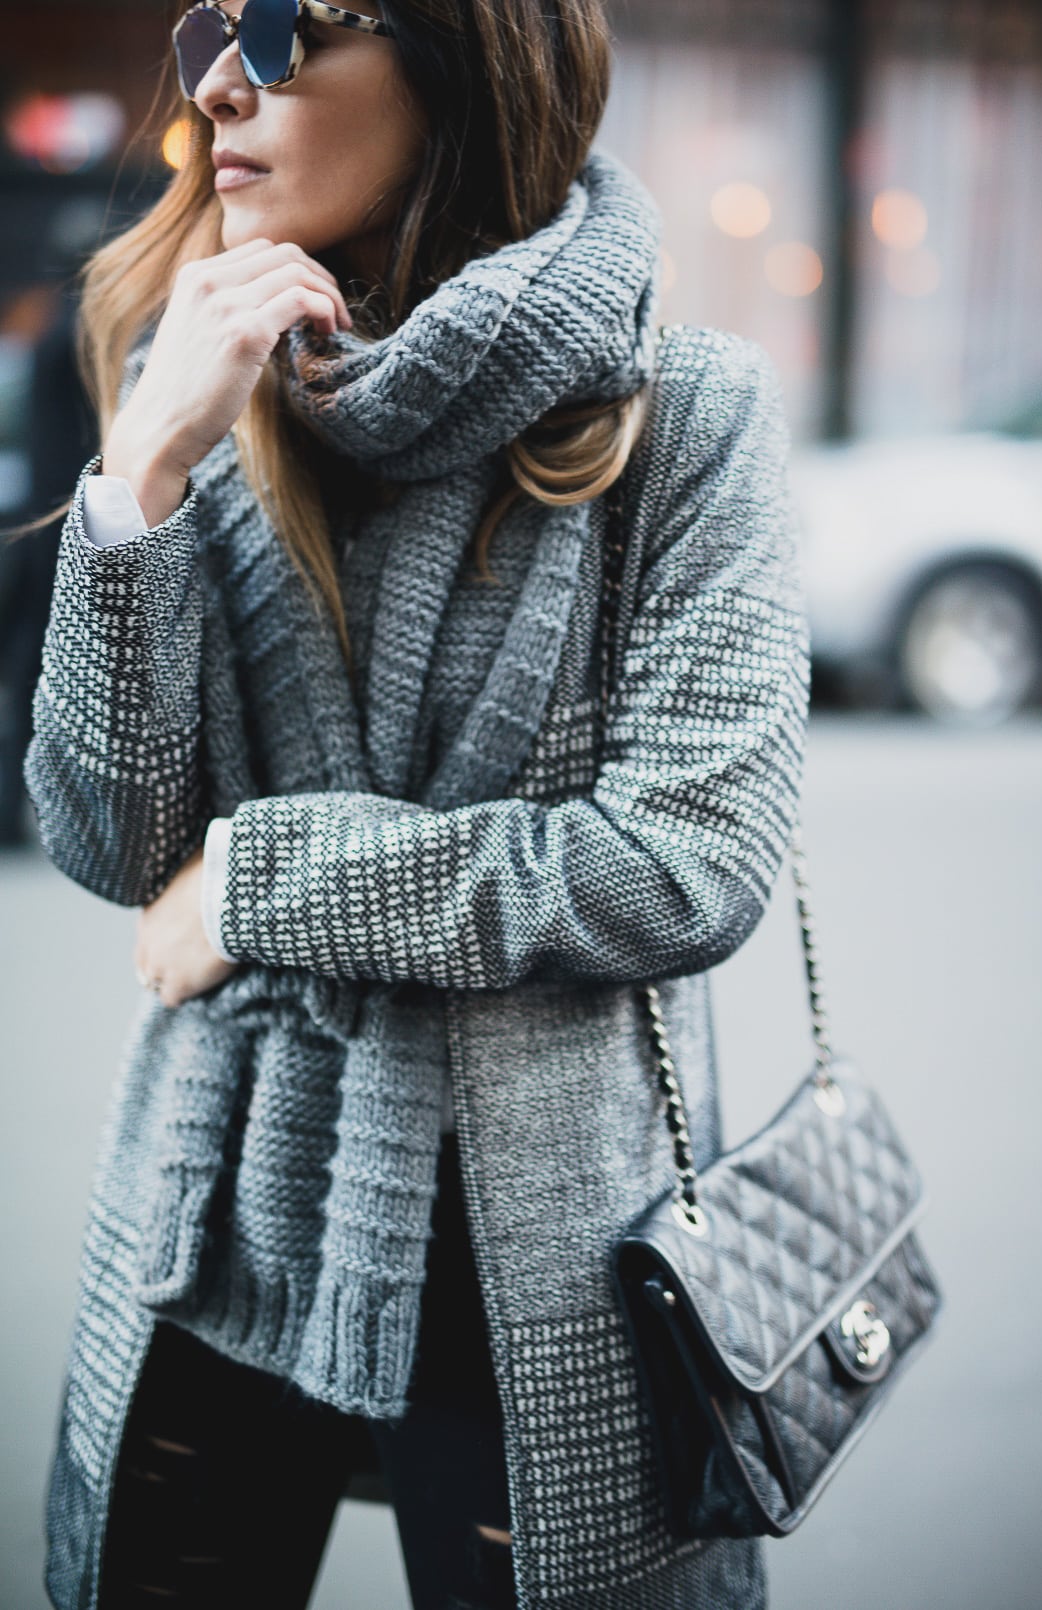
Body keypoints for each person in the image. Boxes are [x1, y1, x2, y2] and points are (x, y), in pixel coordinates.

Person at [25, 2, 812, 1607]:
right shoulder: (191, 363)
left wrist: (262, 880)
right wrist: (140, 483)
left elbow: (688, 864)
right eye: (203, 29)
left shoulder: (684, 412)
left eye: (288, 23)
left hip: (547, 1271)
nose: (223, 81)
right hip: (215, 1216)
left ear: (471, 60)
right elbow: (108, 845)